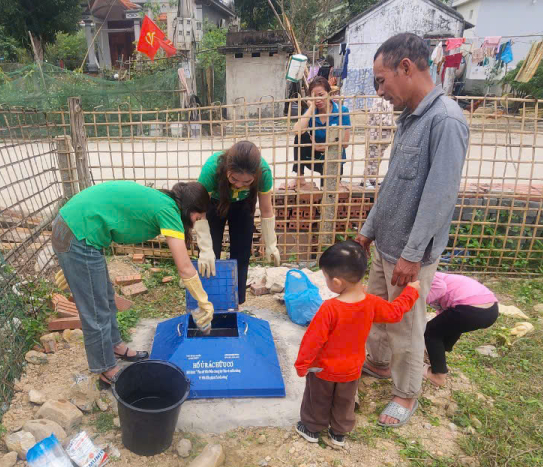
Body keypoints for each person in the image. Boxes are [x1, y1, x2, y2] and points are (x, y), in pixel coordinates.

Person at [353, 32, 470, 427]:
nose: (379, 90)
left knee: (405, 325)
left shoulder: (446, 121)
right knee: (376, 314)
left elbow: (439, 198)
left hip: (410, 253)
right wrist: (367, 231)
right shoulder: (409, 119)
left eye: (381, 80)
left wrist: (412, 254)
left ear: (406, 68)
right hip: (386, 245)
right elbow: (392, 186)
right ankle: (380, 364)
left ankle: (406, 394)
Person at [52, 181, 215, 388]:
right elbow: (184, 267)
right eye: (198, 217)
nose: (196, 222)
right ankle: (106, 369)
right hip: (77, 233)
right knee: (95, 310)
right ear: (189, 209)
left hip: (80, 231)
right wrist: (204, 301)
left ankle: (114, 346)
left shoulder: (165, 203)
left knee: (105, 297)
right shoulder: (169, 210)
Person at [294, 241, 420, 447]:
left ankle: (312, 428)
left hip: (323, 369)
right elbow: (395, 312)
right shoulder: (372, 303)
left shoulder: (330, 308)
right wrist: (411, 291)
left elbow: (312, 340)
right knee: (345, 401)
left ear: (336, 282)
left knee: (316, 399)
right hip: (352, 369)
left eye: (325, 277)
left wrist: (302, 365)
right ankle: (339, 433)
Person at [194, 141, 279, 305]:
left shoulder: (264, 172)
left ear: (255, 176)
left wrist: (271, 243)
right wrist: (204, 247)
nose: (239, 184)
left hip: (243, 204)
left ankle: (236, 301)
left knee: (241, 252)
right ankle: (207, 299)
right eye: (234, 179)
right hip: (213, 204)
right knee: (211, 252)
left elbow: (266, 209)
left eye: (247, 182)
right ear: (227, 169)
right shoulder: (212, 168)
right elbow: (199, 210)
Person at [424, 273, 498, 387]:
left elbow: (440, 287)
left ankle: (438, 376)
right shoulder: (443, 276)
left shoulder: (425, 274)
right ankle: (438, 355)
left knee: (431, 332)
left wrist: (418, 301)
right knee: (450, 323)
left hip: (471, 309)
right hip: (491, 309)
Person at [291, 76, 352, 190]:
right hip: (315, 158)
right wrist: (311, 107)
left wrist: (322, 147)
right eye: (314, 96)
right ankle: (300, 177)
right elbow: (296, 130)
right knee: (300, 136)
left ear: (329, 93)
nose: (318, 99)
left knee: (327, 193)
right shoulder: (312, 112)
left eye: (321, 95)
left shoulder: (341, 111)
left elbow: (345, 143)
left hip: (332, 159)